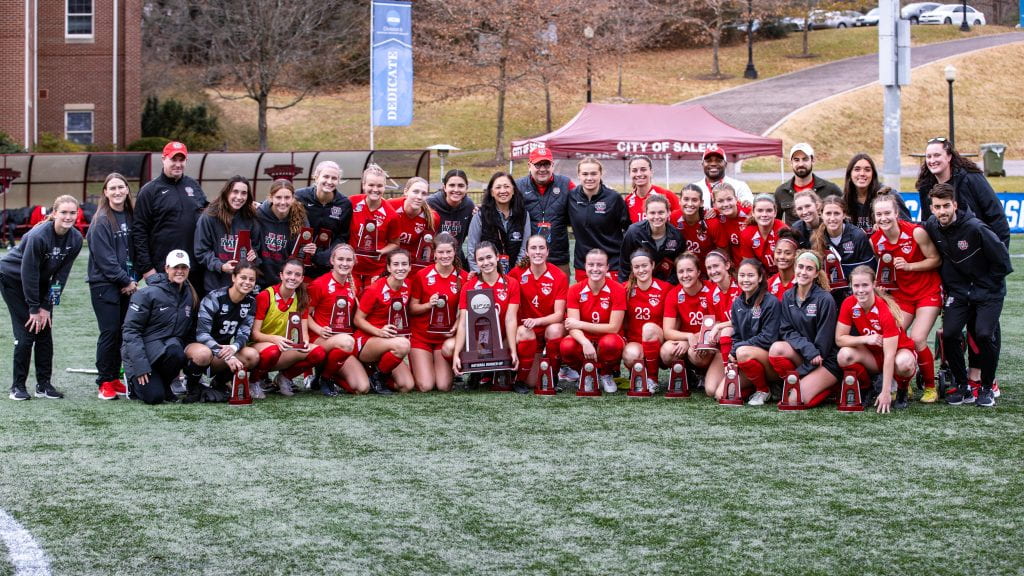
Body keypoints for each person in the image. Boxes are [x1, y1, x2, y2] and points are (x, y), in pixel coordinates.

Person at [924, 183, 1011, 407]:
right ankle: (963, 386)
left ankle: (986, 386)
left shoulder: (976, 228)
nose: (942, 211)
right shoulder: (932, 226)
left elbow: (1003, 262)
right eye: (937, 207)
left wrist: (986, 286)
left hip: (987, 291)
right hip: (959, 292)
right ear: (931, 209)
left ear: (955, 205)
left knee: (983, 334)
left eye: (946, 206)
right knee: (950, 334)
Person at [1, 195, 83, 401]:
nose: (68, 217)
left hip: (40, 282)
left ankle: (44, 385)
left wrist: (47, 306)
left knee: (45, 331)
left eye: (72, 213)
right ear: (54, 213)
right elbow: (28, 274)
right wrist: (34, 308)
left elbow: (61, 277)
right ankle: (17, 386)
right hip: (13, 279)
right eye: (63, 212)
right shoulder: (39, 236)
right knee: (27, 331)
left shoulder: (75, 239)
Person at [870, 192, 943, 403]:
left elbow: (936, 260)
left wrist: (910, 266)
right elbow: (884, 269)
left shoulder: (916, 232)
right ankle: (904, 381)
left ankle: (930, 387)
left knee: (918, 338)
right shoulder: (875, 241)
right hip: (902, 295)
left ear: (896, 213)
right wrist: (881, 285)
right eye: (879, 214)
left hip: (927, 291)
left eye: (887, 213)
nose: (883, 218)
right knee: (894, 335)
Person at [835, 266, 918, 413]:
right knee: (843, 355)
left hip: (897, 353)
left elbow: (890, 355)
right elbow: (840, 339)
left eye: (865, 285)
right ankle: (868, 388)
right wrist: (866, 339)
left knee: (903, 364)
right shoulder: (848, 303)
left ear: (873, 284)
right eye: (856, 285)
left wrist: (885, 393)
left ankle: (902, 390)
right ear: (851, 286)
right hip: (873, 356)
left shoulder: (884, 310)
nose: (860, 290)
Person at [120, 250, 197, 405]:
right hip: (143, 354)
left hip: (166, 350)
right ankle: (132, 381)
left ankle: (164, 383)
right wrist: (140, 366)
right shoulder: (147, 294)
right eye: (176, 267)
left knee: (177, 351)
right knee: (154, 398)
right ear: (166, 268)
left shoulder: (190, 294)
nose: (180, 271)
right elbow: (130, 331)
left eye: (184, 267)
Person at [768, 251, 841, 408]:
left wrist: (802, 369)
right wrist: (808, 350)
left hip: (825, 359)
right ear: (795, 268)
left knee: (793, 401)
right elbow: (786, 330)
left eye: (809, 269)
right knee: (776, 348)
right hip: (807, 354)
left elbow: (825, 343)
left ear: (816, 274)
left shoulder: (825, 299)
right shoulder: (788, 296)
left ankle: (831, 386)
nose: (803, 272)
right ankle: (798, 381)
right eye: (800, 267)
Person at [87, 174, 137, 400]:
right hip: (105, 284)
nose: (117, 192)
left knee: (121, 332)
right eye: (112, 188)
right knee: (109, 333)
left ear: (127, 190)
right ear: (105, 193)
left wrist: (132, 279)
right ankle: (104, 381)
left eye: (121, 187)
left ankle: (115, 377)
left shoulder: (131, 215)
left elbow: (135, 251)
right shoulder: (101, 220)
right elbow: (105, 259)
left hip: (126, 283)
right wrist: (125, 281)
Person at [132, 141, 208, 289]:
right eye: (173, 159)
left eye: (182, 160)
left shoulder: (193, 185)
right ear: (163, 159)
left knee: (194, 310)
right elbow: (139, 231)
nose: (178, 164)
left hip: (194, 268)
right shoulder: (149, 191)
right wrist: (147, 269)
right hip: (163, 270)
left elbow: (208, 213)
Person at [181, 262, 261, 402]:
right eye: (243, 277)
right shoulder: (214, 298)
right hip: (196, 346)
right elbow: (202, 334)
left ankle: (219, 383)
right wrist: (227, 356)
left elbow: (244, 333)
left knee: (251, 355)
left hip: (220, 351)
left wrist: (233, 347)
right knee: (203, 353)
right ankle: (191, 386)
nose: (247, 282)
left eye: (251, 279)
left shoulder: (250, 302)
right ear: (234, 278)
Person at [249, 259, 328, 398]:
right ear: (281, 275)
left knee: (318, 353)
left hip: (284, 346)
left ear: (302, 278)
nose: (293, 277)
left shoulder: (301, 298)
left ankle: (284, 378)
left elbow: (303, 334)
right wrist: (274, 339)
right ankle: (254, 382)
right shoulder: (265, 296)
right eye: (289, 273)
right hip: (261, 346)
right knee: (272, 352)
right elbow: (255, 334)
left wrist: (304, 343)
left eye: (297, 275)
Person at [916, 137, 1009, 246]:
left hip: (977, 249)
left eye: (937, 155)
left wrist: (999, 250)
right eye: (929, 156)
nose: (932, 161)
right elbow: (928, 224)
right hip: (948, 254)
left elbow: (996, 215)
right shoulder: (925, 186)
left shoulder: (970, 178)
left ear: (949, 156)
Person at [452, 242, 521, 384]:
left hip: (503, 340)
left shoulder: (511, 283)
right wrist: (456, 354)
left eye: (489, 257)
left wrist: (513, 350)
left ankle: (512, 374)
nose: (486, 262)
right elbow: (464, 322)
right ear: (476, 262)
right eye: (481, 259)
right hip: (479, 343)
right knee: (448, 348)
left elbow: (510, 319)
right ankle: (476, 370)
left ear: (497, 257)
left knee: (524, 335)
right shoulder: (469, 286)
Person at [560, 249, 627, 393]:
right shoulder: (574, 290)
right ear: (585, 266)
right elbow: (572, 326)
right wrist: (585, 342)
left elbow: (614, 328)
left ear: (607, 267)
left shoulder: (618, 289)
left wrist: (580, 324)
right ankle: (587, 373)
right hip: (584, 337)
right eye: (591, 264)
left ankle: (606, 374)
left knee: (610, 343)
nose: (595, 269)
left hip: (608, 337)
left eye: (600, 265)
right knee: (567, 346)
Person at [408, 233, 467, 393]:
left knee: (443, 386)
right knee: (426, 386)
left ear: (455, 251)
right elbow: (412, 308)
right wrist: (429, 304)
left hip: (444, 338)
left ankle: (444, 368)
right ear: (434, 253)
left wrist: (455, 325)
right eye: (441, 252)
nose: (445, 256)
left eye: (448, 252)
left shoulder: (463, 277)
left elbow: (464, 310)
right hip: (421, 336)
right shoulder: (422, 275)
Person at [509, 235, 568, 391]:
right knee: (532, 382)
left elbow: (559, 315)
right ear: (527, 252)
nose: (537, 252)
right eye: (533, 248)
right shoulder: (516, 274)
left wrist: (537, 321)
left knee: (555, 329)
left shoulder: (559, 276)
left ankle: (553, 374)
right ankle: (520, 380)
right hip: (528, 333)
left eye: (541, 248)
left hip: (547, 328)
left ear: (547, 251)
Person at [660, 252, 724, 397]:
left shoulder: (712, 290)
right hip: (687, 340)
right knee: (666, 352)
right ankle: (686, 372)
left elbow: (719, 323)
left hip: (709, 341)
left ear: (699, 272)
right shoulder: (674, 294)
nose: (685, 275)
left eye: (690, 270)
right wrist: (688, 337)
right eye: (681, 271)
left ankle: (704, 373)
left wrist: (698, 338)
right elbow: (668, 331)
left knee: (695, 354)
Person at [353, 249, 416, 394]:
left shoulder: (408, 285)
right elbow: (357, 319)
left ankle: (374, 374)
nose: (400, 268)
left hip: (389, 343)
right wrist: (379, 332)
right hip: (367, 341)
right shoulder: (375, 289)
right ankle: (377, 378)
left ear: (410, 267)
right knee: (403, 345)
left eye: (404, 264)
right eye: (396, 264)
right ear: (388, 267)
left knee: (406, 386)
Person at [307, 243, 364, 396]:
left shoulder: (355, 284)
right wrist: (319, 329)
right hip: (321, 338)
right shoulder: (319, 284)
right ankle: (327, 378)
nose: (344, 263)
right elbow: (303, 315)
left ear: (354, 262)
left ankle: (322, 375)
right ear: (332, 260)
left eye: (348, 260)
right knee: (347, 342)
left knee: (361, 387)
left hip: (344, 340)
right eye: (340, 259)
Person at [728, 259, 782, 406]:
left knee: (742, 352)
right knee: (720, 392)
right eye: (742, 275)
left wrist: (737, 349)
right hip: (746, 358)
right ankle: (765, 387)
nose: (746, 279)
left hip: (769, 359)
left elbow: (769, 338)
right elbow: (737, 334)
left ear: (759, 278)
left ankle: (763, 390)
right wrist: (734, 351)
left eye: (750, 275)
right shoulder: (737, 303)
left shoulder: (771, 302)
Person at [567, 157, 631, 281]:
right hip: (584, 264)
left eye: (593, 173)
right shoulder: (571, 197)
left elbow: (628, 228)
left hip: (611, 264)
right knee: (586, 300)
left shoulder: (613, 198)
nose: (589, 178)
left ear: (601, 174)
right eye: (585, 174)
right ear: (578, 175)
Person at [194, 176, 260, 293]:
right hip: (215, 286)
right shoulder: (209, 217)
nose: (239, 197)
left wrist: (253, 254)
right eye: (235, 192)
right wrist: (221, 266)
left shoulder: (251, 218)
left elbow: (256, 246)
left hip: (243, 287)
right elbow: (201, 251)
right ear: (226, 193)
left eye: (244, 193)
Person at [516, 148, 574, 273]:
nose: (542, 169)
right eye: (538, 164)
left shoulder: (566, 184)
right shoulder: (518, 186)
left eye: (546, 164)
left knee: (561, 291)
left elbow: (583, 200)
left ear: (552, 165)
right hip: (529, 257)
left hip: (558, 257)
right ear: (529, 165)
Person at [810, 195, 875, 304]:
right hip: (827, 291)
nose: (832, 218)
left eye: (837, 213)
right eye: (828, 213)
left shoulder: (858, 236)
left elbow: (870, 268)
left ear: (844, 214)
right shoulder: (815, 238)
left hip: (854, 290)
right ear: (821, 214)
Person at [620, 250, 669, 393]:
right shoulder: (624, 289)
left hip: (660, 340)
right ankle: (641, 375)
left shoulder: (665, 289)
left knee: (648, 328)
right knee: (630, 355)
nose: (641, 270)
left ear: (652, 265)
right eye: (636, 267)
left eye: (644, 265)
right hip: (635, 341)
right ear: (632, 269)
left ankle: (652, 379)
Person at [294, 160, 353, 279]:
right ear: (316, 177)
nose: (329, 182)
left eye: (334, 178)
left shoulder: (344, 204)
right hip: (298, 260)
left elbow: (342, 236)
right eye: (325, 176)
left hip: (325, 264)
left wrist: (323, 257)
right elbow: (279, 204)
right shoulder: (299, 196)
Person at [466, 172, 531, 274]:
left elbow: (524, 249)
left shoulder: (523, 215)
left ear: (513, 190)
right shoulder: (480, 215)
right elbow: (472, 249)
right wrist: (479, 274)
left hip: (515, 276)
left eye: (506, 186)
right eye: (498, 187)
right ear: (492, 192)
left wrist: (515, 274)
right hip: (486, 275)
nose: (503, 191)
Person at [349, 165, 400, 292]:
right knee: (349, 305)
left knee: (370, 308)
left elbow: (395, 243)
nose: (375, 189)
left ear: (384, 187)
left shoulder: (391, 214)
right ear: (364, 185)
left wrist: (381, 252)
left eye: (380, 186)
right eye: (371, 185)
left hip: (375, 269)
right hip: (350, 267)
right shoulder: (351, 203)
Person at [255, 179, 311, 289]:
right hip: (260, 280)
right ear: (271, 197)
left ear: (293, 198)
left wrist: (308, 251)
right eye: (278, 197)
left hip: (287, 282)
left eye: (287, 198)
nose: (283, 202)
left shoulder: (301, 218)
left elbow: (300, 254)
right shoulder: (258, 215)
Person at [619, 193, 684, 283]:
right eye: (652, 213)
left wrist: (667, 286)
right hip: (638, 283)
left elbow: (678, 268)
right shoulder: (634, 232)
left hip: (664, 285)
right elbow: (624, 264)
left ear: (668, 212)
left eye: (661, 212)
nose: (656, 217)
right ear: (645, 213)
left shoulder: (676, 236)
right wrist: (625, 287)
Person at [774, 143, 842, 225]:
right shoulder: (781, 192)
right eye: (796, 160)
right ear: (791, 162)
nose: (801, 164)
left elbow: (845, 216)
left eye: (805, 159)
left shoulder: (831, 189)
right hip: (793, 237)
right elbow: (775, 223)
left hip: (822, 237)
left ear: (812, 160)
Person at [841, 153, 908, 233]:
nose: (862, 173)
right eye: (857, 169)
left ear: (873, 174)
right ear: (850, 174)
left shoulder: (889, 196)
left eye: (867, 170)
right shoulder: (844, 201)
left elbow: (907, 226)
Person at [387, 177, 440, 272]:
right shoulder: (390, 206)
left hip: (413, 266)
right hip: (388, 262)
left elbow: (427, 249)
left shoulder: (432, 218)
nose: (419, 197)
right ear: (406, 191)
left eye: (424, 193)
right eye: (415, 192)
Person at [427, 169, 476, 264]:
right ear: (444, 187)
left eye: (461, 186)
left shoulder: (469, 206)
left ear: (467, 188)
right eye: (452, 185)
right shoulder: (431, 204)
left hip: (456, 257)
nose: (456, 190)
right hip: (433, 257)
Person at [738, 194, 789, 275]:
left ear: (775, 212)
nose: (764, 214)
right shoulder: (747, 234)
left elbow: (789, 263)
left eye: (769, 210)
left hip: (783, 274)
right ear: (753, 213)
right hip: (761, 276)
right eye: (760, 210)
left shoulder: (784, 231)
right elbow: (750, 265)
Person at [705, 249, 741, 362]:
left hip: (746, 335)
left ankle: (729, 372)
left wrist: (718, 327)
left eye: (716, 266)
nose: (712, 271)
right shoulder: (711, 294)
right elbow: (716, 322)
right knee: (711, 381)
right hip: (727, 341)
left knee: (726, 331)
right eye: (709, 268)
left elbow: (744, 319)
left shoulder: (741, 286)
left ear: (727, 265)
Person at [705, 182, 750, 270]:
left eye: (729, 199)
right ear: (714, 203)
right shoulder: (714, 216)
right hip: (733, 267)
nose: (726, 204)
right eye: (720, 201)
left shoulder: (749, 213)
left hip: (753, 266)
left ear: (736, 199)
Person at [670, 184, 715, 271]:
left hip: (709, 271)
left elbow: (723, 251)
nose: (690, 204)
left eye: (694, 200)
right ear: (680, 201)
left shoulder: (711, 220)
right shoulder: (674, 217)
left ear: (701, 203)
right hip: (684, 270)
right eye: (686, 199)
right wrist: (681, 253)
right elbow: (670, 245)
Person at [624, 155, 680, 223]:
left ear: (651, 172)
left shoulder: (667, 195)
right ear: (630, 173)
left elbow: (680, 221)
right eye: (634, 170)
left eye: (643, 169)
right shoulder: (628, 201)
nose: (639, 174)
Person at [767, 230, 799, 300]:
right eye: (778, 252)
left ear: (796, 255)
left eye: (787, 253)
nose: (782, 257)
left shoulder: (802, 282)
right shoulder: (768, 284)